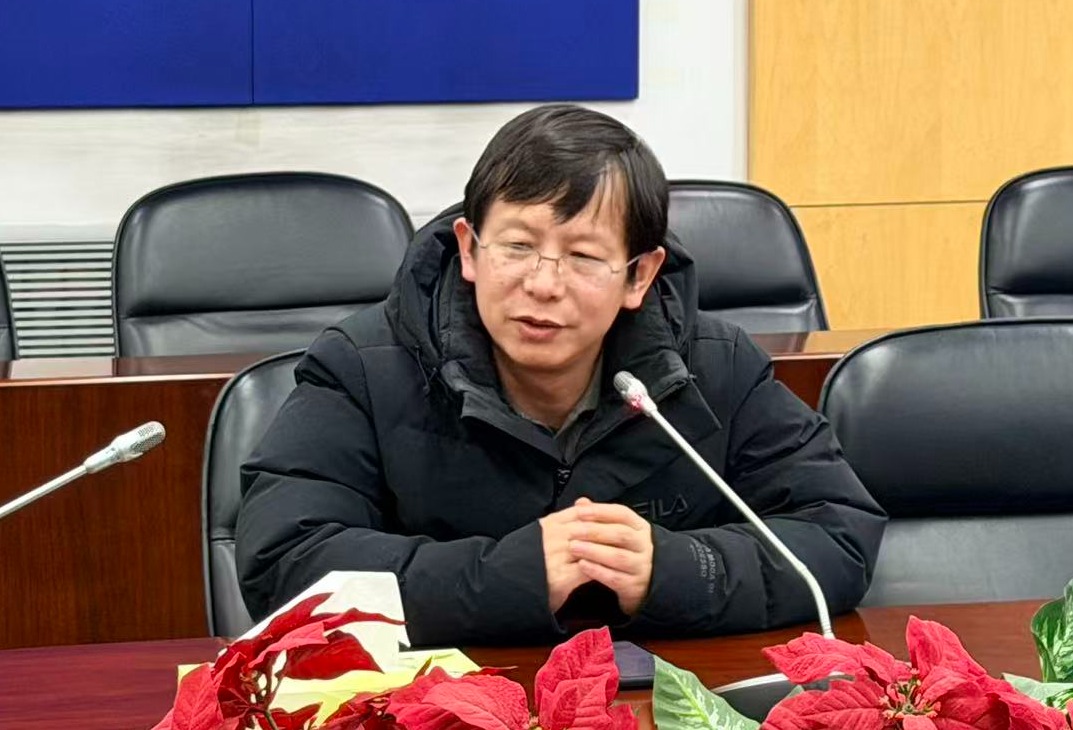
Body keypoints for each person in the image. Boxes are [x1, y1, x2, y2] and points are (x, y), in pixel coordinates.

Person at [236, 104, 886, 646]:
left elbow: (837, 533)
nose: (543, 285)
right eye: (517, 247)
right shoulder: (363, 366)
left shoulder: (715, 366)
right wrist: (511, 576)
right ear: (468, 248)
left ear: (639, 276)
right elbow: (286, 565)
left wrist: (677, 569)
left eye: (583, 256)